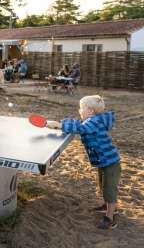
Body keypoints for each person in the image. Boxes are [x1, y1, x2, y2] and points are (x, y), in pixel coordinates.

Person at [46, 95, 121, 230]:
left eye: (81, 109)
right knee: (103, 185)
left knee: (110, 189)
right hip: (103, 160)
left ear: (91, 111)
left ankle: (110, 219)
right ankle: (107, 207)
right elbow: (77, 123)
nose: (79, 111)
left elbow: (81, 129)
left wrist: (59, 125)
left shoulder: (94, 123)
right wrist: (59, 122)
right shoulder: (91, 120)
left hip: (110, 162)